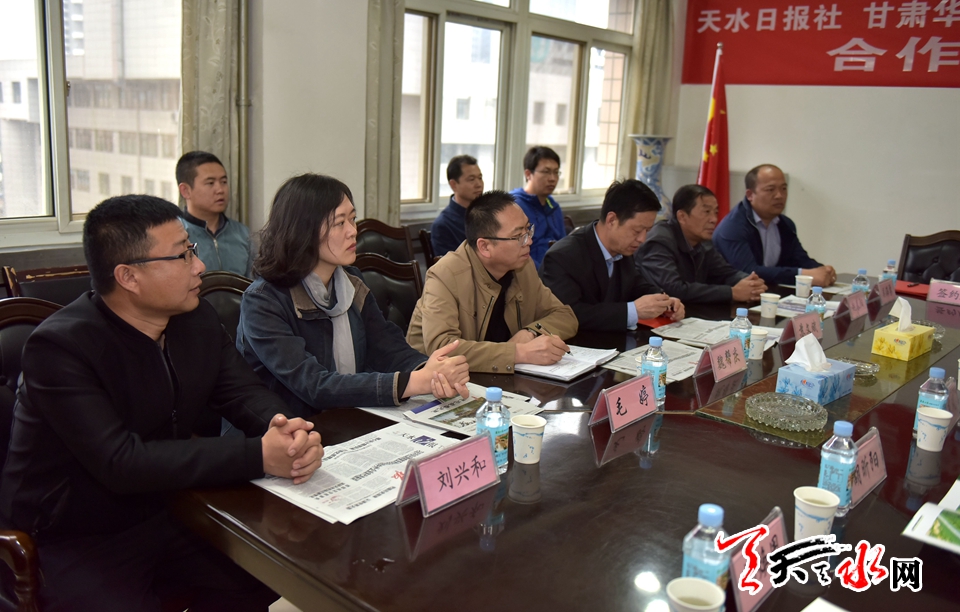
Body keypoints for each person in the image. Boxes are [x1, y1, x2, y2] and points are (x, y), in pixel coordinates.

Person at [0, 195, 323, 611]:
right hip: (72, 532)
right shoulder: (61, 348)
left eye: (192, 249)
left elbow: (242, 393)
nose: (199, 265)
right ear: (129, 276)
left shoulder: (196, 319)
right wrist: (259, 455)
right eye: (182, 255)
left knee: (262, 573)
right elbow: (121, 462)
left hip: (166, 504)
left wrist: (286, 430)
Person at [237, 174, 470, 417]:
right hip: (285, 429)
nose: (353, 231)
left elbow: (387, 347)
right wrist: (414, 382)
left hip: (346, 418)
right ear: (303, 231)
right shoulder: (263, 301)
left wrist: (432, 371)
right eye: (340, 223)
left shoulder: (350, 281)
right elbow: (314, 385)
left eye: (353, 219)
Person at [407, 190, 578, 374]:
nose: (529, 241)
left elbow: (565, 316)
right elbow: (441, 348)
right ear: (485, 246)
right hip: (434, 381)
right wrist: (518, 352)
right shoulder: (445, 275)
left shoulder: (523, 267)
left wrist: (530, 332)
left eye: (528, 229)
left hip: (495, 378)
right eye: (518, 236)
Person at [540, 179, 685, 333]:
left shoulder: (623, 248)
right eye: (637, 231)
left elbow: (636, 285)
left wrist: (663, 301)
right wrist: (633, 311)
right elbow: (569, 315)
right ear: (612, 220)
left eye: (647, 231)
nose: (642, 239)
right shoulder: (563, 257)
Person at [638, 184, 768, 304]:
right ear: (682, 216)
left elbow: (725, 273)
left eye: (715, 212)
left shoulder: (703, 242)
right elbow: (673, 289)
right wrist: (732, 293)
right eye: (706, 212)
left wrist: (750, 282)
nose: (714, 219)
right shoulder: (659, 242)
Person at [713, 164, 836, 287]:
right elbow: (748, 271)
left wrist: (822, 270)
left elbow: (800, 259)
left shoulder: (785, 224)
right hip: (732, 294)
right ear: (750, 195)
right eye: (770, 190)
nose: (779, 196)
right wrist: (802, 275)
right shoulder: (733, 227)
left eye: (783, 189)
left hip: (769, 292)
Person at [177, 150, 253, 276]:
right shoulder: (177, 235)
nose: (220, 190)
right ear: (185, 191)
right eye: (210, 183)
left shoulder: (244, 234)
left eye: (223, 182)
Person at [509, 146, 567, 267]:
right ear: (528, 174)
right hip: (529, 272)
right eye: (546, 172)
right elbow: (514, 251)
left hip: (557, 269)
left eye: (556, 172)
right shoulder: (514, 206)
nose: (552, 178)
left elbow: (564, 244)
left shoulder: (553, 206)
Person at [431, 155, 484, 257]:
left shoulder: (488, 215)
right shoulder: (443, 225)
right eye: (471, 179)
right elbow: (447, 264)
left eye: (480, 178)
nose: (479, 184)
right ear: (453, 185)